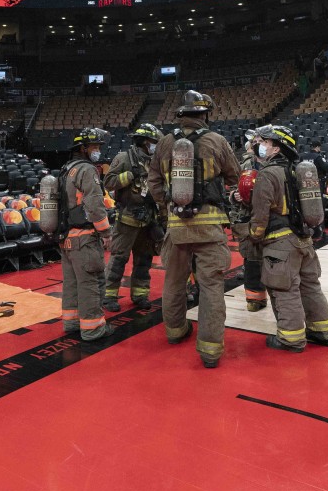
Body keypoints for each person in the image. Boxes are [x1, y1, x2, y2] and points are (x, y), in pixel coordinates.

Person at [148, 90, 240, 368]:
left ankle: (175, 332)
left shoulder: (164, 143)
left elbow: (153, 181)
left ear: (182, 116)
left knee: (174, 282)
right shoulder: (216, 140)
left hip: (176, 227)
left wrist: (169, 206)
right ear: (204, 115)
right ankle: (210, 350)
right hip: (209, 225)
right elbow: (234, 176)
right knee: (211, 285)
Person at [248, 124, 328, 352]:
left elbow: (260, 214)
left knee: (284, 290)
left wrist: (254, 236)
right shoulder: (299, 170)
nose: (259, 145)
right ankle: (323, 330)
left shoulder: (268, 174)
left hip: (280, 244)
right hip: (304, 241)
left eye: (264, 142)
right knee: (310, 286)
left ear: (276, 148)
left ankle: (291, 339)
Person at [59, 127, 114, 341]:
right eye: (95, 147)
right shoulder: (87, 170)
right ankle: (93, 328)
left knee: (72, 283)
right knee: (90, 282)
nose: (98, 150)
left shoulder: (66, 169)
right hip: (84, 238)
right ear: (83, 148)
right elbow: (95, 204)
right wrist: (106, 232)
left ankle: (72, 322)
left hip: (66, 239)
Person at [102, 123, 164, 311]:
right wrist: (130, 175)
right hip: (128, 218)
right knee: (119, 258)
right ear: (145, 142)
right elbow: (109, 182)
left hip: (148, 218)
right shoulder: (124, 158)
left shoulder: (155, 161)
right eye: (154, 142)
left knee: (144, 259)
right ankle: (108, 296)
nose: (156, 146)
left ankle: (140, 295)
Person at [230, 129, 268, 312]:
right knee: (252, 260)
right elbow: (234, 187)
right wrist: (234, 195)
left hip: (274, 218)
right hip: (249, 217)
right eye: (257, 141)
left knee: (276, 260)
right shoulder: (245, 164)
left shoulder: (279, 162)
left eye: (263, 141)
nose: (259, 144)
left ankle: (282, 298)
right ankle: (255, 299)